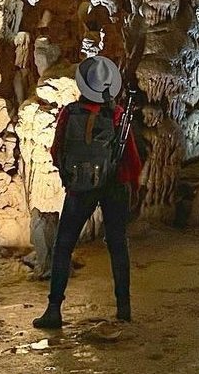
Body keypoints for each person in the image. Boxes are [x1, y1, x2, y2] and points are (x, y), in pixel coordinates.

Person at [33, 56, 142, 329]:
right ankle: (123, 307)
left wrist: (70, 178)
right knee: (117, 245)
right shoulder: (117, 115)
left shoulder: (70, 112)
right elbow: (131, 156)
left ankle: (54, 309)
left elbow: (57, 149)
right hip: (114, 185)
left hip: (80, 188)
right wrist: (133, 185)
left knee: (64, 246)